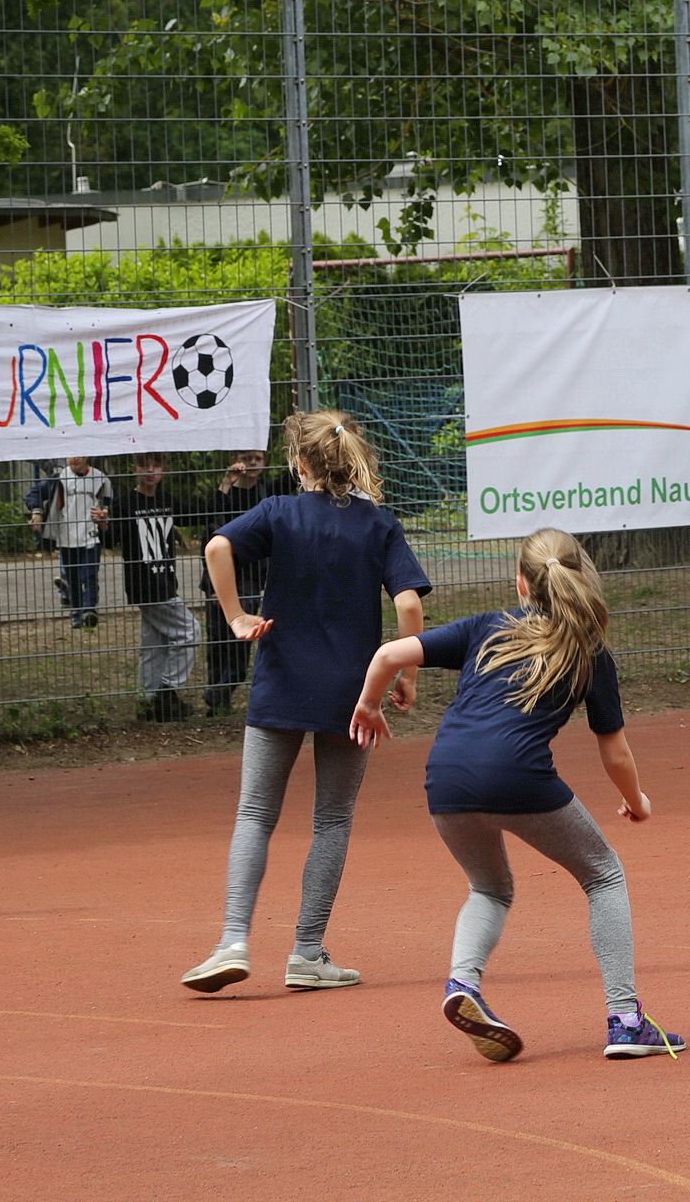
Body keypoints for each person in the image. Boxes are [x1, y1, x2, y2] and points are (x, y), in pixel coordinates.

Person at [350, 527, 684, 1063]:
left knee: (489, 888)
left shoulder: (486, 627)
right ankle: (625, 1019)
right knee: (604, 874)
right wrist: (636, 799)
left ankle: (463, 984)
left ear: (521, 584)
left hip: (446, 778)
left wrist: (370, 706)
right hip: (518, 776)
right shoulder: (588, 649)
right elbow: (614, 751)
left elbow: (389, 654)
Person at [181, 411, 430, 994]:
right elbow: (410, 607)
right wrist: (405, 674)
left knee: (254, 814)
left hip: (281, 682)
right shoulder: (380, 524)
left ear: (300, 465)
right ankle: (307, 952)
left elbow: (218, 546)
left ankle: (233, 940)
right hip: (352, 694)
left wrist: (236, 615)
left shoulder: (277, 513)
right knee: (333, 819)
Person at [196, 450, 295, 717]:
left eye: (258, 458)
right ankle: (217, 698)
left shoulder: (267, 495)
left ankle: (222, 689)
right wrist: (228, 480)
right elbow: (209, 522)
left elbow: (293, 475)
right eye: (246, 457)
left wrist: (292, 440)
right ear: (233, 460)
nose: (252, 463)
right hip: (218, 579)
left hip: (250, 578)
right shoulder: (224, 493)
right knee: (216, 641)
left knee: (241, 644)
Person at [103, 453, 200, 721]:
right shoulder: (126, 503)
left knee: (153, 643)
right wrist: (103, 524)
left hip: (165, 580)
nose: (149, 470)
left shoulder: (166, 500)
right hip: (144, 583)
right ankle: (167, 692)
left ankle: (148, 702)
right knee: (191, 631)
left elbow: (197, 513)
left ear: (163, 470)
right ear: (134, 469)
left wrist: (227, 483)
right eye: (144, 465)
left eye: (155, 465)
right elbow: (112, 539)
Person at [29, 456, 111, 629]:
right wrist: (37, 512)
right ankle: (76, 611)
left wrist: (105, 515)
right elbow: (35, 493)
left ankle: (89, 609)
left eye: (79, 454)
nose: (75, 458)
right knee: (72, 577)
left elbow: (110, 502)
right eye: (70, 454)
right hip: (67, 538)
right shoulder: (59, 479)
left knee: (89, 574)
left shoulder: (100, 478)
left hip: (91, 536)